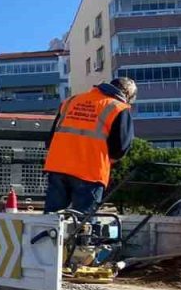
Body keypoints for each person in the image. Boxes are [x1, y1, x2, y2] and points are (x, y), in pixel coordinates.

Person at [44, 77, 136, 214]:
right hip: (90, 172)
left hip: (58, 167)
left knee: (50, 223)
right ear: (128, 95)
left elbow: (50, 139)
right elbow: (120, 148)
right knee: (83, 225)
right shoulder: (118, 108)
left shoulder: (71, 101)